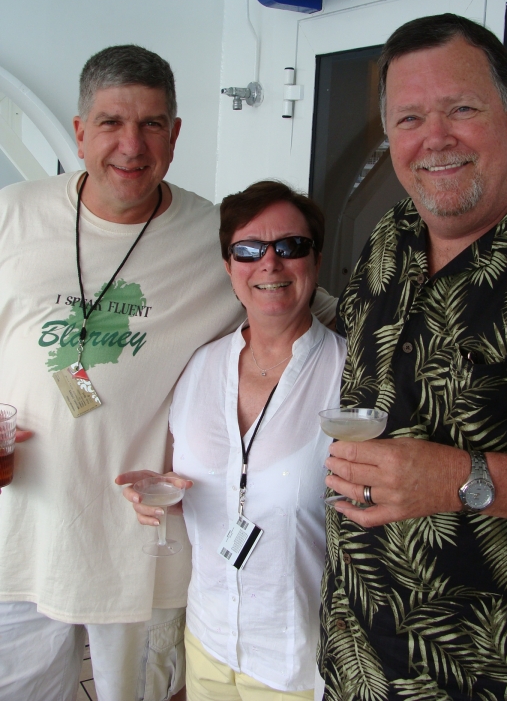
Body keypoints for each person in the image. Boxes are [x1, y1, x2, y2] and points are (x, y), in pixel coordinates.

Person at [0, 46, 336, 701]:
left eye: (153, 123)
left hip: (140, 556)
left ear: (176, 134)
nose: (131, 145)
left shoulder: (219, 236)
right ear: (78, 132)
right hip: (19, 539)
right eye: (110, 123)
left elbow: (307, 303)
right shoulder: (12, 216)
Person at [318, 14, 507, 700]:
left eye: (461, 109)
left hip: (503, 679)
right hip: (357, 665)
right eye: (408, 119)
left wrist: (469, 479)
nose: (434, 139)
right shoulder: (390, 238)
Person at [119, 181, 347, 701]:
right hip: (208, 643)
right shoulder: (199, 368)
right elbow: (204, 488)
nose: (270, 264)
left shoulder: (350, 375)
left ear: (315, 258)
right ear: (229, 266)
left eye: (290, 246)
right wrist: (158, 492)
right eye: (249, 250)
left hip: (297, 661)